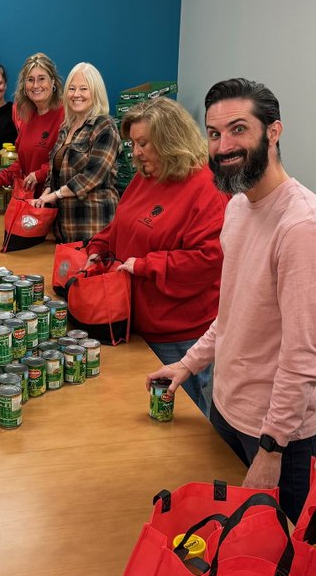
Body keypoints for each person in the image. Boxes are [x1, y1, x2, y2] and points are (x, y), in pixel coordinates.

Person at [146, 79, 316, 521]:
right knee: (226, 541)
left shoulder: (305, 229)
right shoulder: (237, 207)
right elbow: (233, 313)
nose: (223, 146)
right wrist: (189, 364)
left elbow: (304, 356)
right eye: (214, 134)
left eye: (238, 130)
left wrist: (272, 449)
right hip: (227, 408)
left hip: (279, 437)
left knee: (276, 557)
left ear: (274, 131)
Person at [85, 97, 227, 418]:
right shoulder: (148, 174)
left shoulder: (207, 189)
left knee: (178, 426)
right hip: (136, 320)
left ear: (169, 140)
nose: (134, 152)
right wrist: (97, 247)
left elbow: (206, 261)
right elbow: (124, 223)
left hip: (178, 333)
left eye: (143, 143)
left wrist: (145, 266)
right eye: (133, 143)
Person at [32, 62, 121, 243]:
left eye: (83, 89)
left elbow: (93, 176)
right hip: (65, 229)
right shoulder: (66, 128)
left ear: (95, 93)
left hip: (94, 227)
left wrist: (55, 195)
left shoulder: (104, 126)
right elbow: (53, 172)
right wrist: (44, 194)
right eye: (72, 89)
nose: (76, 94)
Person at [0, 52, 65, 198]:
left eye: (42, 79)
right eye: (30, 80)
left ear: (53, 82)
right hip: (31, 203)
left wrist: (40, 175)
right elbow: (22, 164)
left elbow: (70, 160)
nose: (35, 85)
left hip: (56, 202)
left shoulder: (65, 114)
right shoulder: (28, 117)